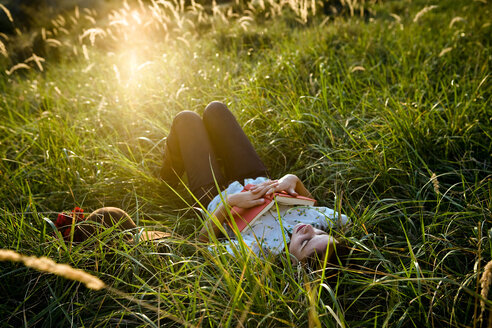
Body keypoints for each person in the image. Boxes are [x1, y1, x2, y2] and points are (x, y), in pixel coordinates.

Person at [160, 101, 349, 263]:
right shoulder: (319, 223)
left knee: (186, 121)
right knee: (216, 110)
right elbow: (323, 210)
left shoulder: (260, 251)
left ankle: (167, 179)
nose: (309, 230)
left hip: (215, 195)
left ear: (295, 264)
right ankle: (212, 152)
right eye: (321, 234)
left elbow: (202, 245)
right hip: (256, 179)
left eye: (305, 242)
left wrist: (229, 204)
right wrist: (295, 181)